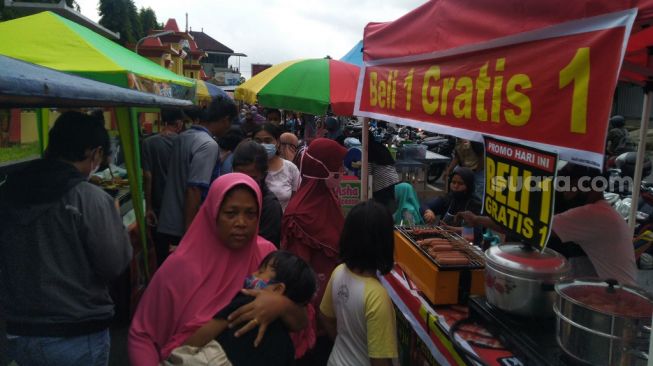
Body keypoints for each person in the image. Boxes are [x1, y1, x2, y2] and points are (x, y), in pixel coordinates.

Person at [128, 173, 308, 365]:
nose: (241, 223)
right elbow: (143, 335)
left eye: (250, 214)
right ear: (213, 214)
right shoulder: (179, 267)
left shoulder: (267, 258)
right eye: (231, 213)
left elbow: (301, 321)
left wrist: (280, 305)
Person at [0, 111, 132, 366]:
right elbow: (114, 263)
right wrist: (114, 223)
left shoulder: (9, 190)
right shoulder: (89, 198)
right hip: (77, 333)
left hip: (19, 331)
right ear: (93, 153)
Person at [459, 163, 637, 285]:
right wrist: (477, 219)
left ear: (590, 187)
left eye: (570, 186)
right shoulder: (601, 211)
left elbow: (529, 229)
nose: (565, 192)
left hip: (616, 299)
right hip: (608, 289)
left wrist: (479, 219)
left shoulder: (591, 214)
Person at [182, 250, 317, 366]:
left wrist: (184, 350)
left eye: (260, 272)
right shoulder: (287, 346)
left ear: (277, 289)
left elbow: (206, 333)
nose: (253, 273)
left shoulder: (248, 302)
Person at [282, 138, 348, 360]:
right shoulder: (298, 215)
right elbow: (299, 274)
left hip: (336, 304)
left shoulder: (330, 198)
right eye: (337, 165)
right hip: (315, 316)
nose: (342, 170)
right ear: (323, 168)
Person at [156, 96, 236, 262]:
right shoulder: (208, 144)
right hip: (181, 230)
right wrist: (189, 236)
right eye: (231, 122)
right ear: (226, 119)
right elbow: (194, 189)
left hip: (166, 223)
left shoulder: (184, 136)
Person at [320, 200, 398, 366]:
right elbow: (380, 360)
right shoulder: (377, 295)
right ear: (383, 242)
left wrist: (346, 348)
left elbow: (325, 316)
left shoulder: (339, 271)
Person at [142, 108, 183, 265]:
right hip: (179, 208)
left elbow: (148, 176)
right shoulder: (183, 142)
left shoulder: (148, 143)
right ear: (178, 123)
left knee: (161, 254)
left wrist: (149, 207)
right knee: (179, 255)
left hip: (159, 207)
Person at [233, 140, 284, 247]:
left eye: (251, 178)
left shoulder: (269, 206)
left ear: (263, 175)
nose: (244, 182)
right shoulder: (226, 196)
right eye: (239, 176)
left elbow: (265, 248)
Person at [253, 123, 301, 211]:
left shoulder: (290, 168)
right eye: (258, 141)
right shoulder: (248, 167)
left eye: (268, 141)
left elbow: (296, 201)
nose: (263, 145)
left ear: (278, 142)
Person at [368, 131, 400, 211]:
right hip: (394, 179)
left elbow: (367, 172)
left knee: (382, 209)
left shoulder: (369, 150)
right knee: (392, 207)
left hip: (382, 184)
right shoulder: (380, 146)